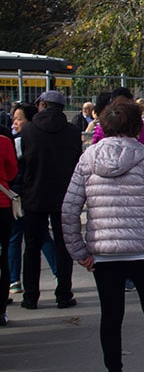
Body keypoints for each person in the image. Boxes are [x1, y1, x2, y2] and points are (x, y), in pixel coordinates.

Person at [61, 98, 144, 372]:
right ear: (135, 125)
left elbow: (69, 210)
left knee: (110, 316)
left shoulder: (87, 159)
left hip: (105, 253)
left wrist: (80, 251)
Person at [20, 90, 81, 310]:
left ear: (42, 105)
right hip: (63, 196)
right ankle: (64, 294)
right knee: (63, 246)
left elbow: (24, 163)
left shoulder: (28, 130)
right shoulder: (72, 132)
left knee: (32, 247)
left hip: (33, 195)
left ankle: (30, 296)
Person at [8, 102, 58, 295]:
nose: (15, 123)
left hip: (20, 196)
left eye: (19, 119)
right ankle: (58, 272)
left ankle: (15, 280)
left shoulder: (20, 141)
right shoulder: (39, 139)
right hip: (32, 195)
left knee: (17, 238)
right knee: (42, 235)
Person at [0, 133, 18, 325]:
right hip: (2, 205)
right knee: (2, 257)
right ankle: (1, 309)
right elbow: (12, 171)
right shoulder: (4, 142)